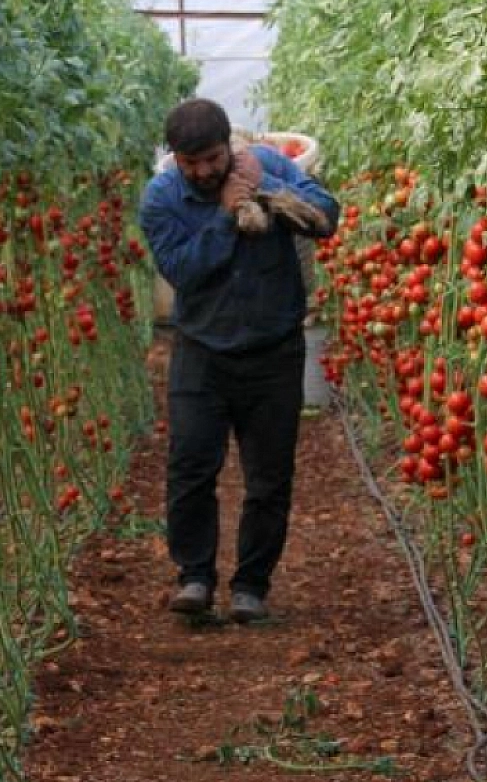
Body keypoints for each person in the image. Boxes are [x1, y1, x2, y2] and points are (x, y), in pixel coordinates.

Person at [139, 98, 339, 622]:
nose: (203, 171)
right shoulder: (161, 199)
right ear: (176, 159)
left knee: (269, 477)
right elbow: (183, 270)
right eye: (191, 163)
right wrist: (229, 212)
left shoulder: (268, 165)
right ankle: (196, 578)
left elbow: (328, 215)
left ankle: (251, 585)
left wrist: (274, 192)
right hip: (202, 352)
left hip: (273, 350)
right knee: (191, 468)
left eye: (212, 158)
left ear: (228, 146)